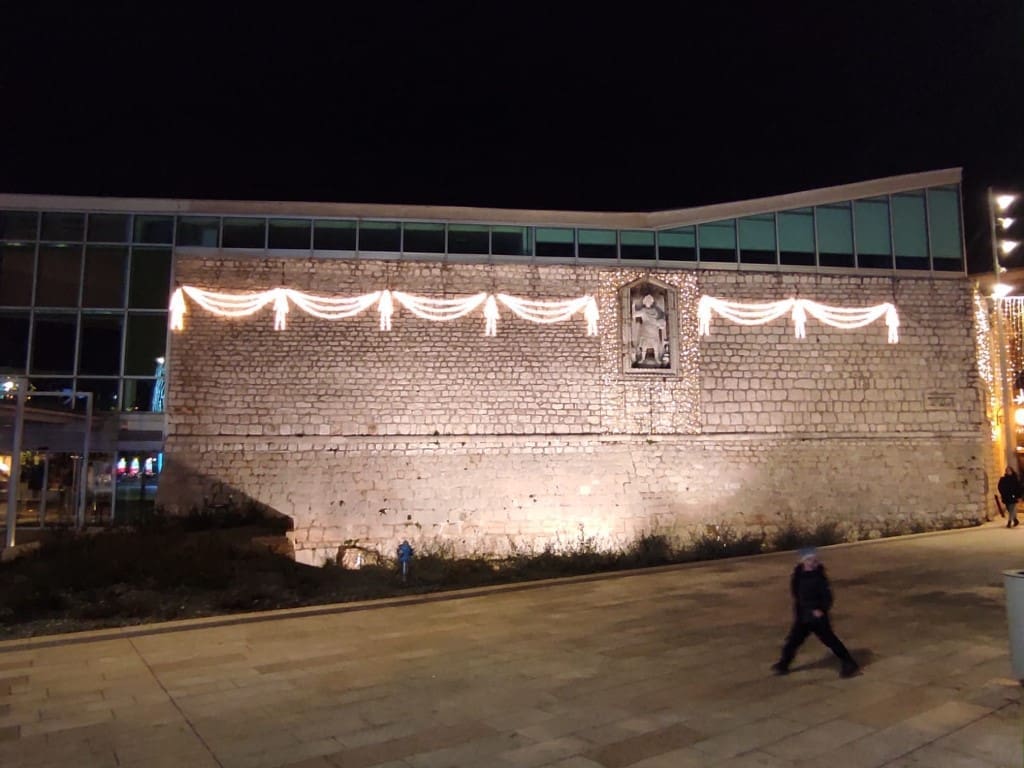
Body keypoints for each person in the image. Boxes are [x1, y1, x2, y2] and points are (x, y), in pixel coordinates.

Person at [771, 547, 859, 678]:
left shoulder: (819, 577)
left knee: (830, 640)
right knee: (793, 641)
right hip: (802, 616)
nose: (812, 562)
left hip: (817, 617)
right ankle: (783, 664)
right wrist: (802, 608)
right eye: (808, 560)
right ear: (802, 561)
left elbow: (828, 597)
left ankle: (849, 663)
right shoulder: (797, 575)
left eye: (814, 560)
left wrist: (821, 609)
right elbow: (796, 593)